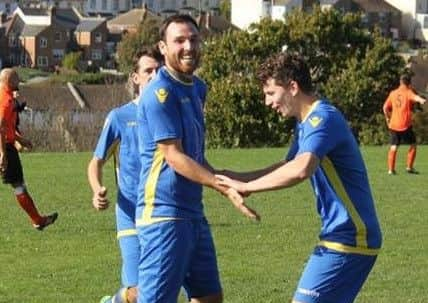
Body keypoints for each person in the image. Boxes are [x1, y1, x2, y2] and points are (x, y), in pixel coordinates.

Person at [216, 52, 382, 303]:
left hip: (351, 236)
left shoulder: (322, 118)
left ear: (292, 87)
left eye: (271, 93)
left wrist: (248, 185)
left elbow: (301, 169)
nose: (267, 102)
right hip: (341, 235)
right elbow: (287, 164)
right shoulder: (305, 123)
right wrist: (238, 177)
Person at [135, 14, 259, 303]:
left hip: (192, 213)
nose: (189, 46)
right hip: (164, 215)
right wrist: (223, 186)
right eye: (179, 40)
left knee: (209, 296)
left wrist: (229, 180)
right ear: (163, 48)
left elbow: (195, 157)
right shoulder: (159, 94)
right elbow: (175, 157)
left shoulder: (197, 88)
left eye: (193, 38)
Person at [87, 47, 162, 303]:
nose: (154, 75)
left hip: (162, 213)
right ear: (136, 77)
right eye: (148, 70)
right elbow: (95, 162)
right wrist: (97, 189)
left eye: (158, 70)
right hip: (129, 212)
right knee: (139, 292)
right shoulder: (120, 117)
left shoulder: (171, 114)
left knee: (163, 288)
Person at [0, 68, 58, 230]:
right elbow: (1, 128)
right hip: (5, 147)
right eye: (17, 79)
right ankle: (38, 220)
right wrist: (3, 153)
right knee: (18, 185)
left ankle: (38, 219)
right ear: (9, 81)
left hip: (7, 144)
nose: (19, 82)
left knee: (17, 184)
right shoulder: (6, 100)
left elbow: (8, 128)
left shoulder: (7, 97)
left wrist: (21, 139)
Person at [383, 74, 426, 175]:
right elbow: (415, 97)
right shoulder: (408, 92)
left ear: (400, 82)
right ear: (409, 83)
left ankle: (390, 170)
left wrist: (388, 118)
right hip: (405, 124)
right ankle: (409, 167)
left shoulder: (393, 93)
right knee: (413, 144)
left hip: (393, 124)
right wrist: (422, 100)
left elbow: (385, 108)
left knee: (394, 146)